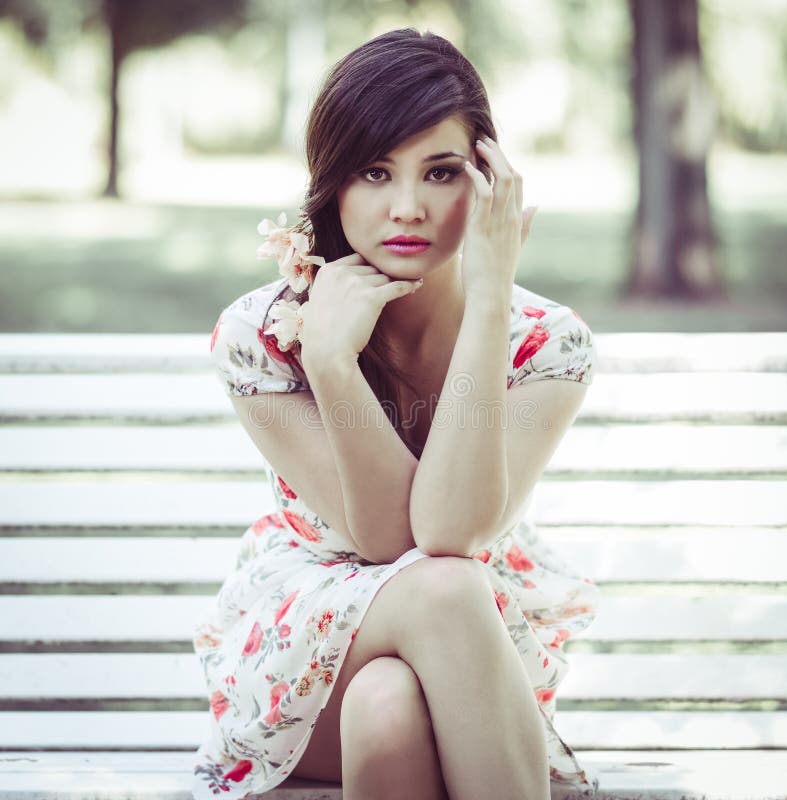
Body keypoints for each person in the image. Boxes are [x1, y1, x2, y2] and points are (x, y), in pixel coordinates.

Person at [191, 26, 600, 800]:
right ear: (333, 183)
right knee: (443, 592)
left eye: (440, 172)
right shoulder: (259, 336)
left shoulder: (547, 346)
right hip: (306, 667)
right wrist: (330, 362)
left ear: (488, 184)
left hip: (461, 660)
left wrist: (486, 303)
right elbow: (386, 540)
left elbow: (449, 533)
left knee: (392, 706)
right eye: (374, 172)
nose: (406, 208)